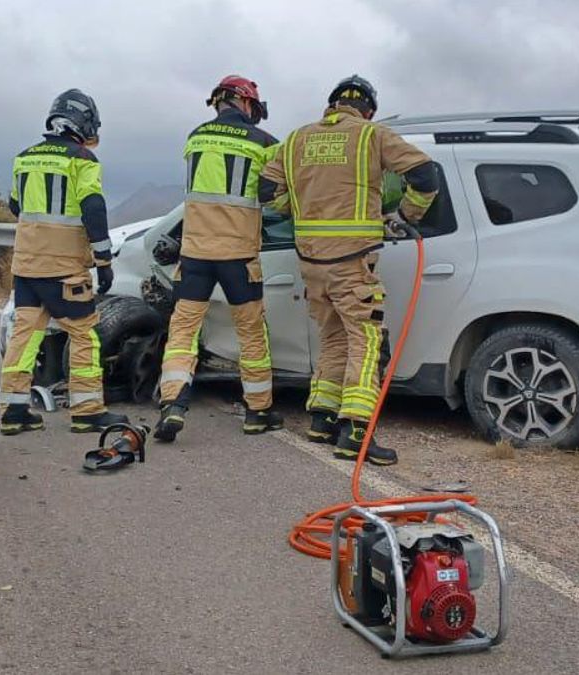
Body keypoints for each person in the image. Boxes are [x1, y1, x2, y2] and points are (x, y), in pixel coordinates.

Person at [259, 75, 439, 466]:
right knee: (366, 340)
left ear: (332, 105)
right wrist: (406, 215)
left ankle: (322, 420)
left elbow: (265, 192)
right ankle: (356, 431)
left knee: (333, 337)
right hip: (353, 260)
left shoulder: (295, 140)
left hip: (311, 262)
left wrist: (300, 209)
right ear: (368, 109)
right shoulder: (372, 135)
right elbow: (426, 175)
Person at [153, 75, 283, 442]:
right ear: (245, 103)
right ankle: (258, 412)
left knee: (183, 331)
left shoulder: (196, 137)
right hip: (239, 257)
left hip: (194, 255)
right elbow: (273, 193)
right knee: (251, 333)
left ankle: (173, 405)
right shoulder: (264, 143)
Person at [0, 89, 128, 435]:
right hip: (63, 269)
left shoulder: (24, 158)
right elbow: (93, 207)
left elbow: (16, 205)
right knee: (85, 334)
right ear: (83, 122)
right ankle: (87, 410)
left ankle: (14, 410)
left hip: (26, 267)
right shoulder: (82, 159)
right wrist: (103, 259)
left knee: (24, 337)